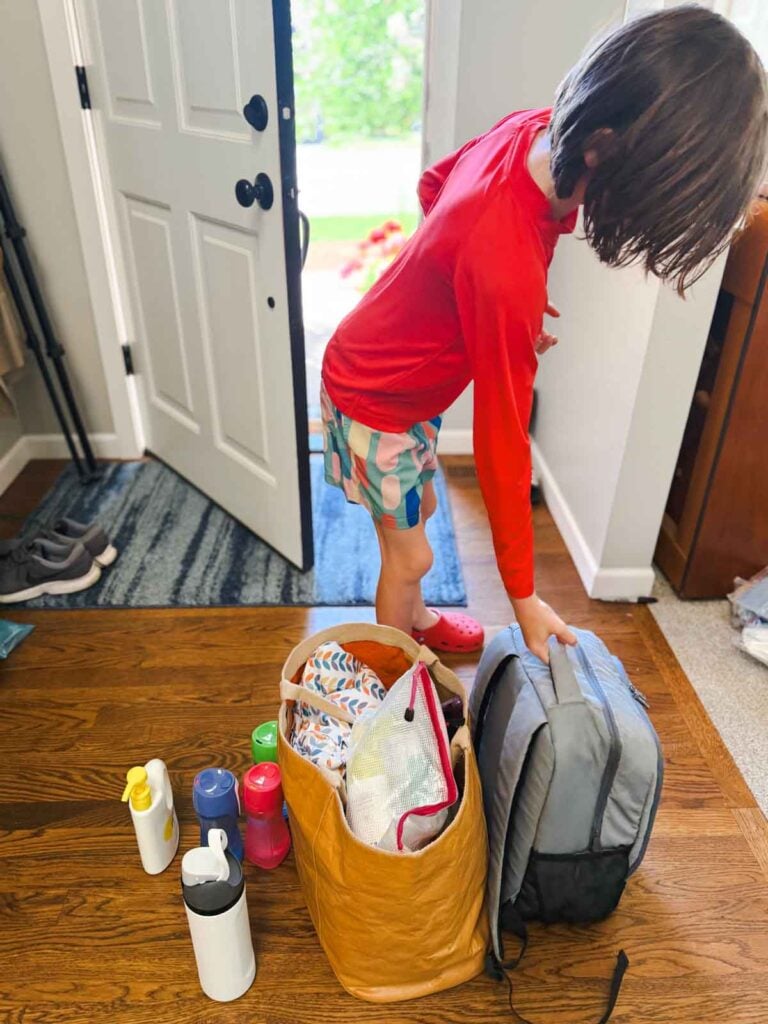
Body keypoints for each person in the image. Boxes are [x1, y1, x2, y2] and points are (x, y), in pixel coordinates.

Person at [321, 5, 768, 660]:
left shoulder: (531, 133)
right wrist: (523, 596)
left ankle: (413, 621)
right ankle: (391, 676)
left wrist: (464, 298)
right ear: (605, 150)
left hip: (387, 380)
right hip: (371, 403)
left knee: (414, 525)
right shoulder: (502, 265)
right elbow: (503, 440)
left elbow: (433, 183)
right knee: (411, 555)